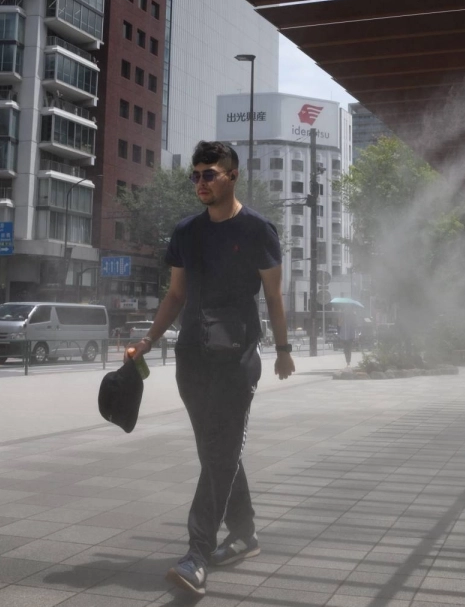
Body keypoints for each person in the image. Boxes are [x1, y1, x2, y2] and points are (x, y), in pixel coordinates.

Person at [127, 141, 294, 597]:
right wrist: (147, 341)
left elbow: (274, 295)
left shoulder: (259, 228)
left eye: (210, 174)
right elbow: (176, 295)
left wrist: (282, 348)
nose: (200, 181)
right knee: (215, 451)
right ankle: (243, 534)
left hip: (238, 359)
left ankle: (197, 553)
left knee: (219, 452)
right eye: (196, 174)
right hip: (192, 358)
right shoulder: (185, 231)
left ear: (232, 176)